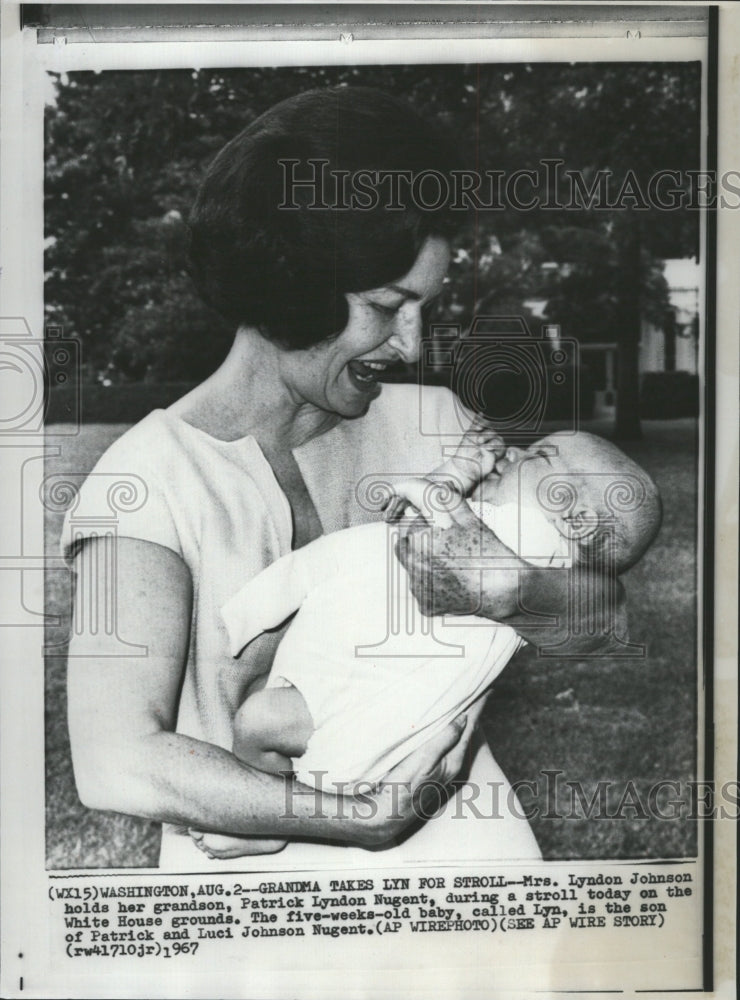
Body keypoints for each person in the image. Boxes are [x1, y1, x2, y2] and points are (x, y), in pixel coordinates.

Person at [62, 86, 626, 870]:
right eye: (385, 306)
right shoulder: (147, 482)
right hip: (256, 897)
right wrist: (359, 820)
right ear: (290, 281)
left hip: (468, 864)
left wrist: (513, 591)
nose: (410, 342)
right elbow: (114, 759)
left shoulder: (439, 427)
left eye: (426, 305)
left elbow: (601, 614)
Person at [189, 427, 661, 859]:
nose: (513, 453)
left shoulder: (525, 537)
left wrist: (461, 473)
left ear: (574, 519)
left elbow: (414, 520)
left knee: (258, 722)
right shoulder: (534, 550)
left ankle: (262, 821)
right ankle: (274, 818)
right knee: (264, 721)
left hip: (376, 716)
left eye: (538, 457)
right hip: (399, 738)